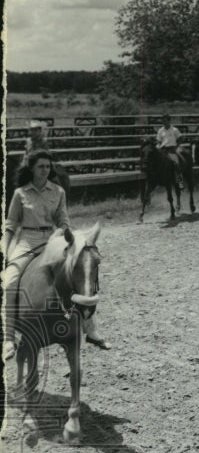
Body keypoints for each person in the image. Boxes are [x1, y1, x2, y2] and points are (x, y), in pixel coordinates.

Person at [3, 151, 110, 362]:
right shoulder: (20, 193)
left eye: (47, 166)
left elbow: (63, 220)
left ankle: (90, 329)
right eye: (41, 166)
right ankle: (8, 337)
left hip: (52, 240)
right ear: (31, 168)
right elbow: (10, 226)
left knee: (79, 273)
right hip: (27, 242)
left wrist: (61, 232)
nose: (45, 170)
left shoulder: (58, 191)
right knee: (10, 281)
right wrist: (5, 251)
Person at [156, 114, 185, 190]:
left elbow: (181, 138)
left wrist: (176, 147)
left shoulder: (174, 130)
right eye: (163, 121)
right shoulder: (160, 130)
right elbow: (158, 141)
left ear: (169, 121)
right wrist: (158, 147)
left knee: (176, 164)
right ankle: (159, 181)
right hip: (163, 150)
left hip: (172, 149)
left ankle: (180, 182)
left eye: (165, 121)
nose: (164, 122)